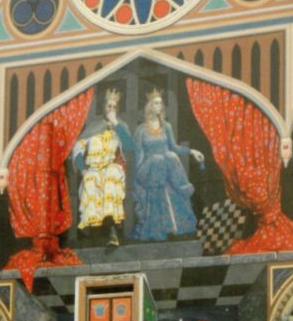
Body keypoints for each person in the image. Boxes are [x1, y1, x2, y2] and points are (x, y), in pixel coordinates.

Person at [131, 89, 204, 242]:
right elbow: (138, 159)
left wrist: (192, 151)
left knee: (170, 156)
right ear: (149, 106)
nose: (160, 106)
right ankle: (156, 228)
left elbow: (174, 147)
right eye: (156, 103)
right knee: (158, 160)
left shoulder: (166, 126)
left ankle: (175, 227)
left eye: (161, 103)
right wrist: (138, 180)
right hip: (149, 169)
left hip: (166, 168)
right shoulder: (141, 130)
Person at [71, 88, 134, 248]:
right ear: (103, 108)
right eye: (108, 106)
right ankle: (94, 232)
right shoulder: (93, 127)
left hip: (112, 165)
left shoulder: (120, 126)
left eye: (114, 107)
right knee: (90, 179)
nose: (111, 109)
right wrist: (82, 168)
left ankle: (112, 229)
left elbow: (129, 146)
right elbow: (78, 149)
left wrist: (116, 124)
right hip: (93, 168)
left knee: (110, 178)